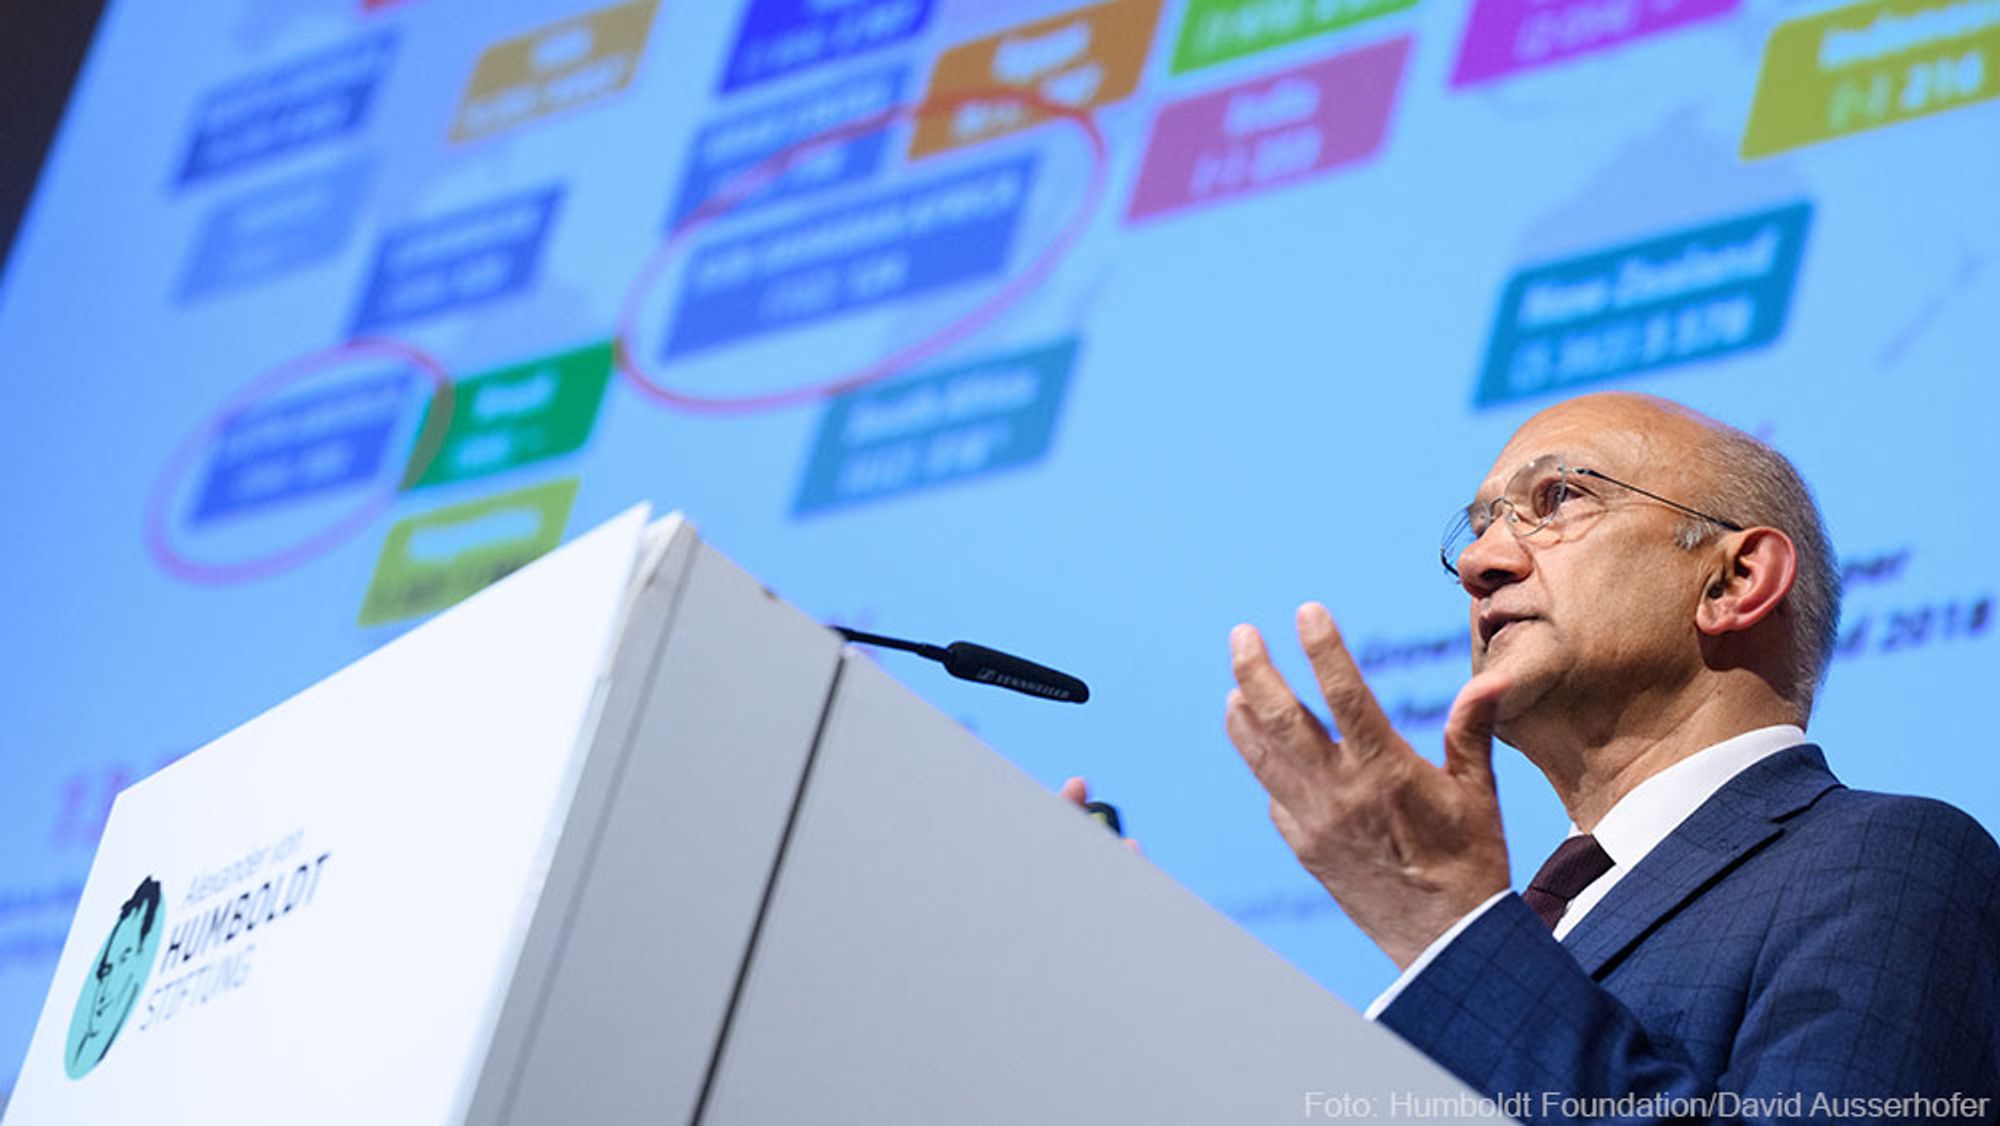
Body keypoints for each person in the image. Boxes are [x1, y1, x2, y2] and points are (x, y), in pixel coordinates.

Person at [1222, 392, 2000, 1121]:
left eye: (1557, 499)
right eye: (1482, 524)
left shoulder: (1889, 861)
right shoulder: (1537, 921)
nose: (1479, 564)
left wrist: (1449, 929)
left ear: (1735, 581)